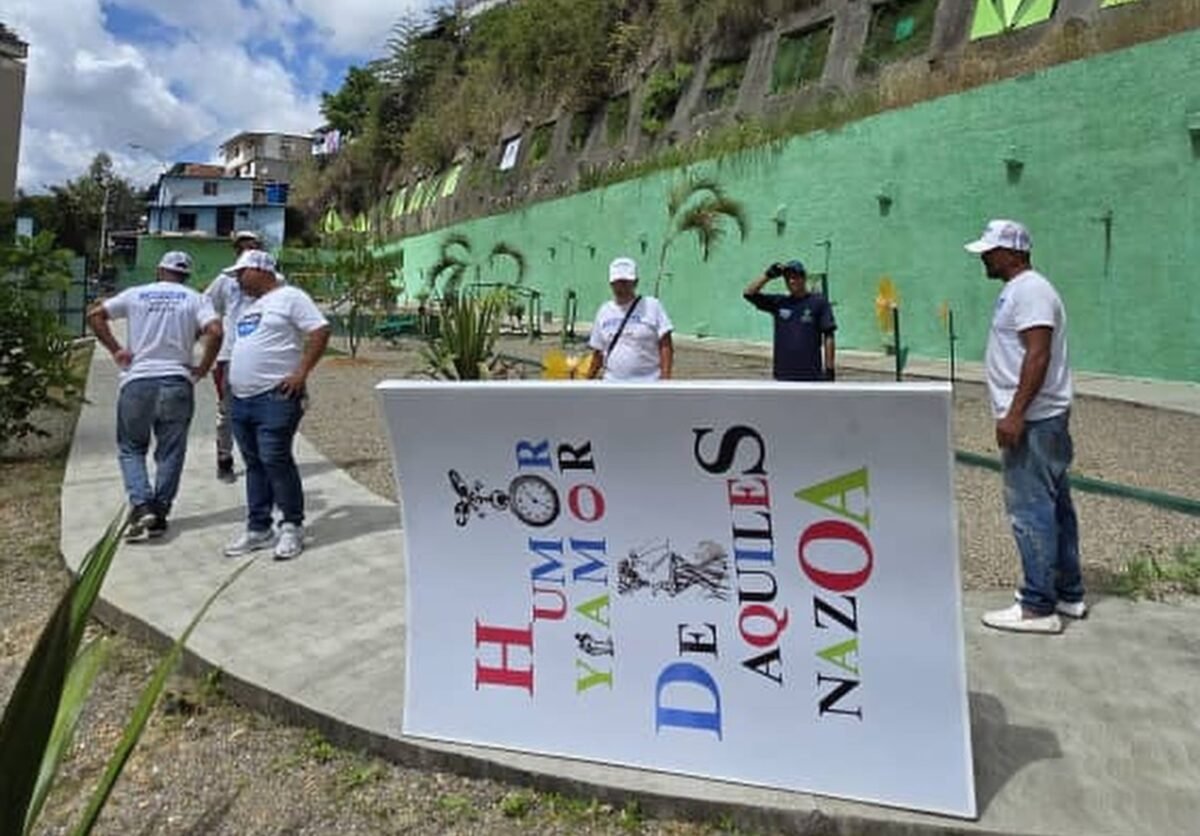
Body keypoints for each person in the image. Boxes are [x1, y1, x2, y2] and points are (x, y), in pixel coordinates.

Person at [965, 219, 1085, 635]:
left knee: (1030, 510)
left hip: (1034, 421)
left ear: (1013, 253)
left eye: (990, 250)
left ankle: (1038, 606)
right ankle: (1068, 593)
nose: (984, 256)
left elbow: (1038, 355)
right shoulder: (1020, 290)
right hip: (1042, 418)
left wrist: (1014, 414)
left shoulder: (1030, 290)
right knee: (1056, 507)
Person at [87, 251, 222, 540]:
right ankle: (159, 512)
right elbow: (215, 331)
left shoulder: (136, 294)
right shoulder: (195, 298)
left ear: (160, 272)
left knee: (131, 448)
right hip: (177, 380)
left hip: (138, 381)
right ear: (186, 275)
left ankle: (142, 503)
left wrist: (116, 349)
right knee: (171, 451)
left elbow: (95, 315)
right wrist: (203, 367)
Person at [223, 250, 331, 561]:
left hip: (275, 397)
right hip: (241, 399)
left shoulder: (291, 297)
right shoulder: (250, 307)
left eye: (241, 273)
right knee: (255, 464)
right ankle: (259, 528)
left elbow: (320, 330)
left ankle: (292, 526)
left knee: (275, 459)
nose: (238, 280)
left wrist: (301, 373)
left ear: (260, 269)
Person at [204, 230, 263, 483]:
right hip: (228, 355)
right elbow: (205, 304)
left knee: (262, 409)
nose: (247, 251)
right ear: (235, 250)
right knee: (227, 410)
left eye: (252, 246)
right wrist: (213, 330)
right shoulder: (224, 280)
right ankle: (224, 459)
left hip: (261, 355)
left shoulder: (273, 280)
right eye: (242, 247)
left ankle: (258, 460)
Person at [743, 259, 836, 381]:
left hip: (811, 374)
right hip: (782, 374)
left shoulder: (819, 303)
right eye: (788, 278)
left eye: (795, 277)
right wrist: (768, 276)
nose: (791, 281)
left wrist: (829, 370)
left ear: (803, 278)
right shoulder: (779, 302)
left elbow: (829, 335)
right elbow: (749, 294)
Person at [587, 257, 674, 381]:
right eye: (618, 282)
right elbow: (598, 352)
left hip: (648, 383)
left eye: (626, 282)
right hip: (612, 384)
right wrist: (587, 381)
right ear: (611, 283)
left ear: (635, 282)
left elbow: (666, 345)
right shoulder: (604, 311)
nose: (621, 287)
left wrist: (665, 381)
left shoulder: (652, 306)